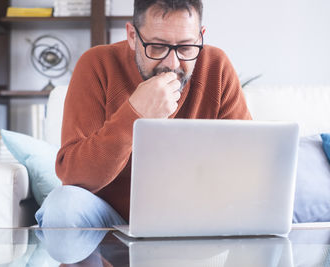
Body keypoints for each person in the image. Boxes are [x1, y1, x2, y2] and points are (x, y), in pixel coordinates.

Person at [36, 0, 251, 228]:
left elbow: (248, 164)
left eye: (186, 47)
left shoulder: (216, 66)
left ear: (200, 37)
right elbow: (73, 176)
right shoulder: (97, 64)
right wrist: (134, 115)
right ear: (132, 36)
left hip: (194, 217)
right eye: (157, 47)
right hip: (110, 219)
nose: (172, 63)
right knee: (62, 206)